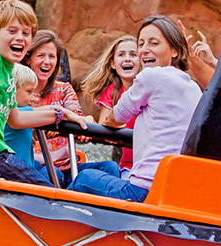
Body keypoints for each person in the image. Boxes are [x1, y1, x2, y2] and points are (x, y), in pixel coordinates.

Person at [69, 15, 202, 202]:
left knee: (84, 178)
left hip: (144, 191)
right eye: (141, 44)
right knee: (112, 170)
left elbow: (114, 118)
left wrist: (108, 122)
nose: (144, 50)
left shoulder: (150, 76)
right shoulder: (194, 88)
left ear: (174, 50)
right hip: (175, 193)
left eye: (153, 43)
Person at [0, 0, 90, 187]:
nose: (20, 38)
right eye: (12, 31)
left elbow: (17, 119)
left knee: (48, 186)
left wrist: (60, 113)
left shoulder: (8, 73)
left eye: (26, 33)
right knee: (47, 193)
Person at [21, 30, 120, 187]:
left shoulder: (64, 88)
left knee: (110, 168)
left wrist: (85, 119)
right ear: (28, 59)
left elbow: (76, 115)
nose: (47, 61)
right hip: (37, 168)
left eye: (52, 57)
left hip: (68, 166)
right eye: (41, 56)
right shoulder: (19, 90)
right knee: (53, 173)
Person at [80, 35, 140, 177]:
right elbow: (104, 126)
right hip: (125, 158)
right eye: (121, 54)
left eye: (133, 54)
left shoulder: (147, 87)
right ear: (113, 64)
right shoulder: (112, 91)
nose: (127, 58)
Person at [4, 63, 64, 184]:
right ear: (12, 90)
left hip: (23, 167)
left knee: (41, 166)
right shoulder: (16, 113)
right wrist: (63, 113)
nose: (33, 98)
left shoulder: (4, 111)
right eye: (29, 91)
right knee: (55, 173)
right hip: (17, 176)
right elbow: (40, 111)